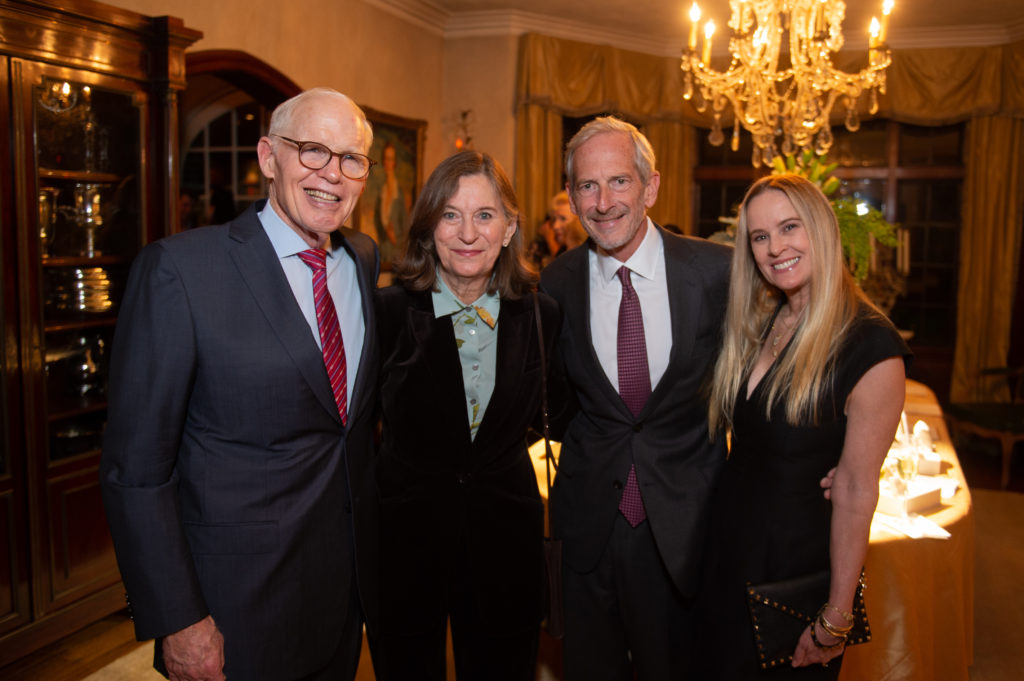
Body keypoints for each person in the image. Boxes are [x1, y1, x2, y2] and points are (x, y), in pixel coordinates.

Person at [99, 88, 381, 681]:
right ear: (267, 157)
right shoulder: (181, 271)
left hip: (341, 600)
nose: (332, 173)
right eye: (311, 151)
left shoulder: (362, 259)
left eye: (351, 159)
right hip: (232, 612)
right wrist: (178, 619)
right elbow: (137, 469)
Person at [539, 115, 732, 680]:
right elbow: (554, 399)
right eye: (586, 186)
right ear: (572, 197)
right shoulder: (554, 285)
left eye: (619, 182)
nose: (603, 202)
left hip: (684, 532)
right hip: (587, 532)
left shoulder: (717, 274)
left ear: (650, 186)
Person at [698, 174, 910, 679]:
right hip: (727, 555)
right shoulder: (769, 319)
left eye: (789, 227)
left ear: (821, 229)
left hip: (790, 575)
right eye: (760, 236)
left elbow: (858, 491)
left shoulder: (871, 347)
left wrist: (836, 617)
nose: (775, 248)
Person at [371, 150, 564, 681]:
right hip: (406, 545)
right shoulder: (387, 312)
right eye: (450, 215)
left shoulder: (541, 315)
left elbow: (566, 413)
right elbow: (357, 434)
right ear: (429, 227)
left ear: (509, 230)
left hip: (507, 543)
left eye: (485, 215)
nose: (467, 232)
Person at [374, 140, 410, 263]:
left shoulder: (398, 192)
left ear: (395, 162)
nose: (387, 162)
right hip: (383, 250)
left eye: (390, 159)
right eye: (385, 158)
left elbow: (405, 223)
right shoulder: (382, 190)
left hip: (397, 252)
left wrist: (396, 239)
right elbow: (377, 221)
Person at [528, 190, 573, 268]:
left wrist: (550, 239)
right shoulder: (543, 248)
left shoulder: (588, 252)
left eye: (563, 219)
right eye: (554, 220)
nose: (555, 226)